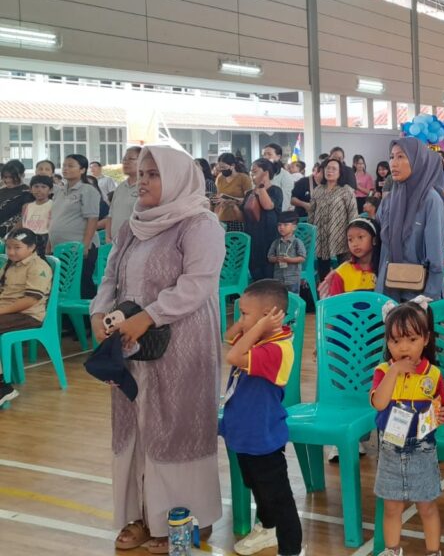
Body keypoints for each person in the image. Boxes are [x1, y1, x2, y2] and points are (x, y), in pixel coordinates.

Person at [89, 145, 225, 552]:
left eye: (154, 174)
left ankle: (188, 517)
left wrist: (149, 316)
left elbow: (198, 284)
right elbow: (110, 277)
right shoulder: (133, 226)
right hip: (129, 342)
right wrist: (99, 313)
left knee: (176, 426)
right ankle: (141, 513)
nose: (143, 181)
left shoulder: (199, 224)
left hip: (182, 340)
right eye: (141, 174)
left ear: (178, 178)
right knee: (133, 425)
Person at [220, 280, 304, 556]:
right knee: (257, 486)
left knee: (279, 498)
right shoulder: (257, 337)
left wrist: (257, 326)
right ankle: (267, 528)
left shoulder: (277, 349)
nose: (240, 320)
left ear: (269, 315)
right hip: (243, 431)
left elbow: (233, 356)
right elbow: (228, 338)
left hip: (263, 436)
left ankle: (291, 549)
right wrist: (249, 323)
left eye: (244, 313)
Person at [372, 300, 444, 556]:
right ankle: (392, 550)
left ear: (426, 339)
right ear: (387, 343)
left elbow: (442, 406)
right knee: (392, 507)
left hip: (423, 450)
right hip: (390, 448)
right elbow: (379, 403)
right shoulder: (383, 371)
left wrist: (442, 414)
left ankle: (433, 552)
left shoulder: (433, 374)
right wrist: (394, 371)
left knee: (427, 507)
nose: (403, 347)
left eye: (412, 339)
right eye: (395, 341)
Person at [376, 139, 444, 302]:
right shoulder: (389, 200)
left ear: (417, 161)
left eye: (401, 157)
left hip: (419, 296)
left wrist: (427, 300)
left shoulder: (430, 200)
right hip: (388, 292)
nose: (393, 163)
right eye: (391, 157)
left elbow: (436, 258)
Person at [0, 228, 53, 406]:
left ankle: (3, 388)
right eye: (8, 247)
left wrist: (1, 311)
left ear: (31, 247)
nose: (11, 252)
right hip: (9, 312)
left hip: (28, 315)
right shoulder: (9, 265)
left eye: (17, 247)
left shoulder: (38, 267)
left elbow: (30, 300)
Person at [50, 154, 101, 297]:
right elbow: (55, 218)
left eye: (70, 166)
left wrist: (85, 245)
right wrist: (49, 244)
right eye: (64, 165)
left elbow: (92, 218)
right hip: (59, 247)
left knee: (82, 285)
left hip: (79, 247)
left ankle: (90, 311)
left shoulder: (87, 190)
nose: (65, 168)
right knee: (62, 287)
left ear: (82, 170)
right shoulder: (60, 191)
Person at [309, 158, 358, 281]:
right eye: (327, 168)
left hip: (340, 235)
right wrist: (311, 232)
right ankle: (324, 290)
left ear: (340, 172)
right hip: (321, 235)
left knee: (344, 268)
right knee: (323, 269)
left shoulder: (346, 190)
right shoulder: (318, 190)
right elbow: (311, 212)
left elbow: (353, 214)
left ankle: (343, 291)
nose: (329, 171)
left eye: (334, 169)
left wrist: (352, 236)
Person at [242, 159, 283, 282]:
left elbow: (268, 206)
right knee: (256, 275)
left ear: (266, 173)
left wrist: (261, 186)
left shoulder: (275, 191)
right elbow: (244, 215)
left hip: (269, 239)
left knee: (269, 275)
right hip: (253, 238)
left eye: (255, 171)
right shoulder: (249, 193)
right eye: (250, 171)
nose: (251, 174)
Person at [318, 217, 379, 297]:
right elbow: (335, 302)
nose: (355, 244)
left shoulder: (382, 269)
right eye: (350, 239)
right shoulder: (342, 272)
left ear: (374, 240)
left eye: (360, 237)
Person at [107, 147, 141, 245]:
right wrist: (108, 236)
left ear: (143, 161)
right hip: (115, 243)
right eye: (124, 159)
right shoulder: (120, 187)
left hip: (135, 243)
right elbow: (111, 214)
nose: (126, 162)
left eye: (130, 159)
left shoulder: (146, 187)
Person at [268, 211, 305, 295]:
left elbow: (302, 258)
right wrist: (276, 259)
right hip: (278, 278)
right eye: (279, 225)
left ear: (294, 227)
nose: (281, 227)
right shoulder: (276, 242)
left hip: (293, 278)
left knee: (294, 297)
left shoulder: (297, 242)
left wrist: (289, 260)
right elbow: (270, 257)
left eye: (285, 225)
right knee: (280, 297)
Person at [20, 176, 53, 254]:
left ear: (50, 190)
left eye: (43, 187)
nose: (39, 190)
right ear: (31, 189)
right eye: (36, 186)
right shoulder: (26, 206)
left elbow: (53, 228)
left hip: (45, 239)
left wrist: (49, 246)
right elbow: (23, 224)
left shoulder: (53, 205)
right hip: (27, 239)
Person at [0, 161, 31, 237]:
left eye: (12, 177)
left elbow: (25, 218)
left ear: (22, 175)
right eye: (5, 177)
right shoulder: (1, 191)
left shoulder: (28, 192)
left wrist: (9, 236)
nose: (8, 180)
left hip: (14, 235)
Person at [262, 144, 294, 213]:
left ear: (278, 157)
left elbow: (285, 201)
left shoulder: (285, 175)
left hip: (277, 214)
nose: (265, 157)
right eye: (264, 154)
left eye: (269, 154)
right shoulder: (262, 174)